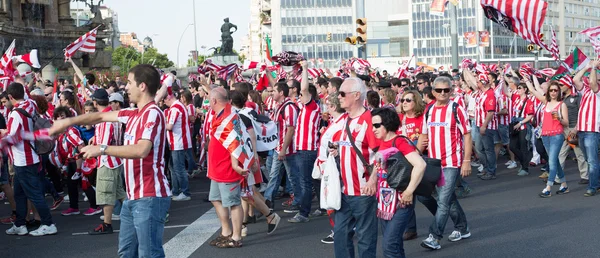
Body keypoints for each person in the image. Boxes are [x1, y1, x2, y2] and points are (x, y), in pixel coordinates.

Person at [49, 64, 172, 257]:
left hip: (150, 195)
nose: (126, 87)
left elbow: (141, 150)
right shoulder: (133, 113)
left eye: (130, 82)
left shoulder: (152, 113)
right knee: (126, 252)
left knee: (149, 254)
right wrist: (68, 121)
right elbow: (98, 116)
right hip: (134, 197)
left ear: (142, 86)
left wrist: (102, 149)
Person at [417, 76, 472, 250]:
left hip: (451, 162)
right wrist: (417, 156)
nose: (442, 93)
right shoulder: (429, 110)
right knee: (448, 199)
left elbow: (467, 135)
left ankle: (435, 236)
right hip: (434, 163)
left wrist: (466, 161)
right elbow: (423, 135)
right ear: (433, 91)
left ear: (451, 91)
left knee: (443, 200)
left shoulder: (457, 109)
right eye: (439, 90)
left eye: (446, 90)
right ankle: (462, 228)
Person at [331, 77, 379, 258]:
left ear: (357, 95)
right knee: (341, 236)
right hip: (345, 190)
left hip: (363, 191)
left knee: (365, 238)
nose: (339, 97)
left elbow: (381, 153)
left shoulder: (370, 120)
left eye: (342, 93)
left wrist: (373, 180)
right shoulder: (345, 120)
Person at [371, 107, 426, 258]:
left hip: (401, 200)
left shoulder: (399, 141)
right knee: (395, 245)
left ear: (387, 124)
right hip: (384, 201)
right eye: (372, 125)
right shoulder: (383, 142)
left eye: (376, 125)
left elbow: (420, 165)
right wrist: (371, 181)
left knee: (389, 245)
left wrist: (409, 192)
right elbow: (378, 168)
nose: (373, 129)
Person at [4, 82, 57, 236]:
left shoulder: (15, 114)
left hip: (23, 160)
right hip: (30, 157)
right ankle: (20, 224)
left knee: (34, 194)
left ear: (10, 97)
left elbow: (12, 138)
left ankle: (48, 223)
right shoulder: (31, 104)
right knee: (20, 194)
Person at [205, 87, 247, 248]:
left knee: (234, 203)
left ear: (214, 101)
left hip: (227, 168)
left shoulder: (229, 116)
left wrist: (236, 164)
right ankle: (226, 231)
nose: (209, 102)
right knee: (215, 199)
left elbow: (236, 142)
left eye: (210, 99)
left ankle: (236, 237)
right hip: (217, 167)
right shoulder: (220, 114)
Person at [88, 89, 126, 235]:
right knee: (119, 193)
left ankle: (107, 223)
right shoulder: (112, 115)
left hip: (107, 160)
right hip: (116, 159)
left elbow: (103, 145)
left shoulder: (105, 119)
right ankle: (139, 212)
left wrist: (91, 148)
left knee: (106, 193)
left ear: (95, 102)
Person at [287, 62, 321, 222]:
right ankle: (321, 207)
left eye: (301, 96)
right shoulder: (305, 107)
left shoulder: (311, 106)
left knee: (305, 182)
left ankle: (303, 213)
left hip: (307, 150)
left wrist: (305, 69)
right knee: (313, 180)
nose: (299, 97)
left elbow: (304, 89)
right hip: (305, 149)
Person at [525, 79, 570, 197]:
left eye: (556, 90)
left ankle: (548, 187)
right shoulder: (546, 102)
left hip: (557, 135)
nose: (553, 92)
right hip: (545, 135)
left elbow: (566, 122)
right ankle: (564, 185)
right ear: (548, 92)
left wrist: (559, 118)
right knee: (554, 160)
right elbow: (532, 90)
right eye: (551, 90)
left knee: (552, 161)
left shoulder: (562, 105)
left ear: (559, 92)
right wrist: (527, 79)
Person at [573, 61, 600, 196]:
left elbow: (594, 84)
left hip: (592, 130)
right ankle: (597, 182)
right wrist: (587, 67)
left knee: (592, 160)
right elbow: (575, 79)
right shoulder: (586, 90)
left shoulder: (597, 90)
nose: (591, 78)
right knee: (589, 159)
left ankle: (593, 186)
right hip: (582, 130)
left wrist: (594, 67)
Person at [164, 91, 192, 201]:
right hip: (177, 141)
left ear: (168, 98)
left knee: (178, 168)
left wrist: (160, 123)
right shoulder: (179, 106)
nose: (164, 103)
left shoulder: (175, 108)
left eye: (164, 100)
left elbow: (170, 126)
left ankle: (185, 192)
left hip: (177, 142)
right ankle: (175, 190)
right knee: (174, 168)